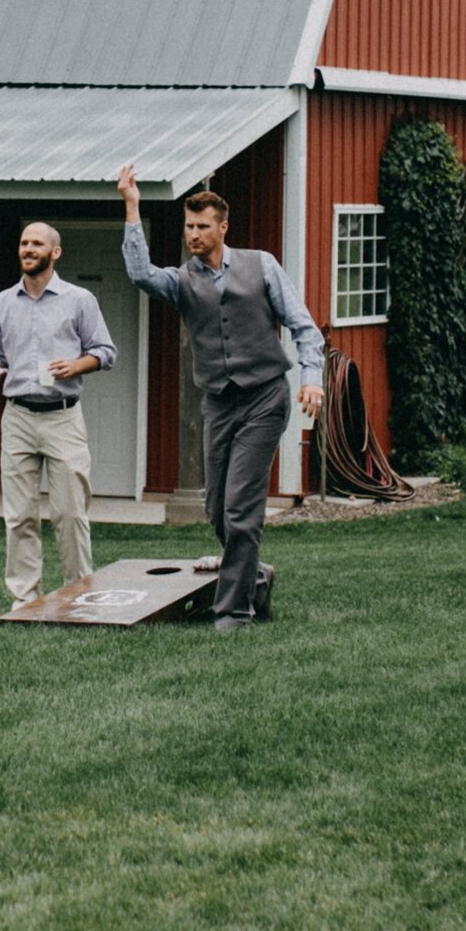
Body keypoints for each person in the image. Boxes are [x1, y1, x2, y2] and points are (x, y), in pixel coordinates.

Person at [116, 165, 325, 631]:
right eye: (188, 226)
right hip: (219, 402)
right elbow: (138, 273)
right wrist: (132, 205)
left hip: (265, 398)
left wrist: (312, 378)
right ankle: (254, 575)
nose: (193, 234)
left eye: (202, 226)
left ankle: (234, 611)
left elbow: (303, 326)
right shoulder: (180, 281)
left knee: (241, 506)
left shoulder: (260, 264)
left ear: (222, 227)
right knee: (216, 507)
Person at [0, 222, 116, 607]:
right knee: (19, 515)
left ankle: (78, 594)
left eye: (37, 243)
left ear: (55, 252)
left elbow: (105, 351)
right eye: (24, 243)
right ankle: (26, 599)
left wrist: (76, 366)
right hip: (17, 415)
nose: (28, 249)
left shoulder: (79, 300)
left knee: (69, 513)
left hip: (63, 416)